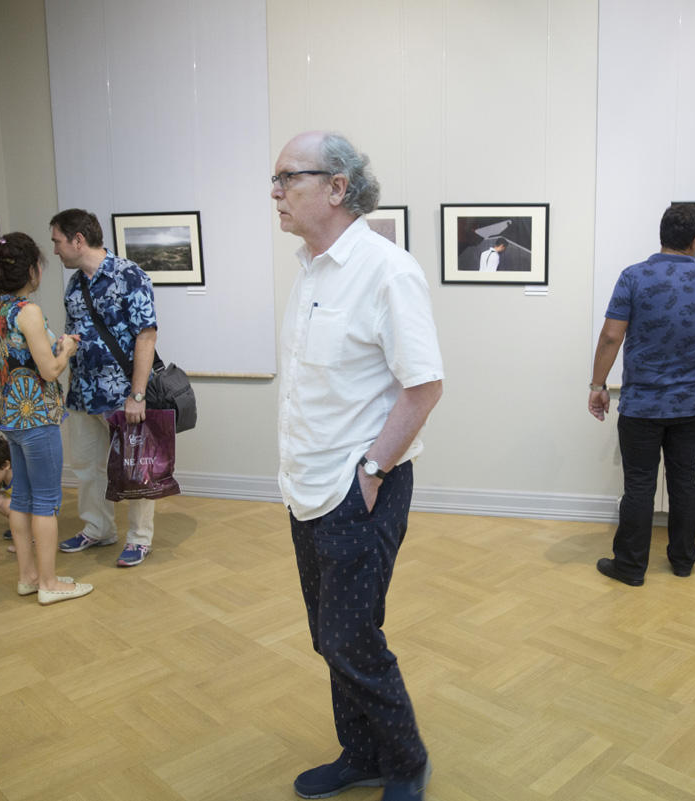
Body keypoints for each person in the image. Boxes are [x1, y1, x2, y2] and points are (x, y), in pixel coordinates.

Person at [272, 131, 443, 801]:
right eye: (276, 180)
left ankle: (405, 760)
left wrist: (370, 472)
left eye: (289, 177)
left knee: (353, 638)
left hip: (357, 486)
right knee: (328, 635)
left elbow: (423, 386)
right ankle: (361, 752)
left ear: (337, 187)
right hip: (306, 485)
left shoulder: (386, 269)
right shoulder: (311, 267)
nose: (276, 192)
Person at [588, 202, 695, 586]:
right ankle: (683, 561)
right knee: (685, 480)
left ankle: (631, 567)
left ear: (662, 235)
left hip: (642, 405)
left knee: (639, 485)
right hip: (689, 405)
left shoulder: (633, 277)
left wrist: (597, 385)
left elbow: (610, 335)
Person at [0, 233, 91, 604]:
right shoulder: (28, 312)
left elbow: (16, 358)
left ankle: (28, 576)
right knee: (46, 502)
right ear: (31, 270)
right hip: (36, 416)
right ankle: (49, 583)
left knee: (23, 499)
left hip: (10, 416)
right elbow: (48, 371)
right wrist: (68, 350)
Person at [51, 209, 160, 567]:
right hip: (82, 394)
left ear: (78, 240)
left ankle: (140, 539)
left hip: (122, 395)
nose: (55, 250)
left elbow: (146, 336)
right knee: (87, 467)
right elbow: (76, 338)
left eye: (57, 241)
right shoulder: (74, 284)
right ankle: (98, 528)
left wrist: (137, 395)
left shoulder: (129, 275)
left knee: (134, 468)